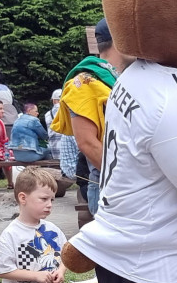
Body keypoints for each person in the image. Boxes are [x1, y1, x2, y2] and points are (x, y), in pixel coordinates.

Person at [50, 18, 129, 217]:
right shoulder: (85, 82)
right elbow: (87, 143)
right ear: (121, 40)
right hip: (112, 185)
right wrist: (128, 178)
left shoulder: (122, 78)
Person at [44, 89, 63, 162]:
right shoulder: (69, 112)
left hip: (54, 148)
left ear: (53, 100)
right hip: (68, 147)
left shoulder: (47, 115)